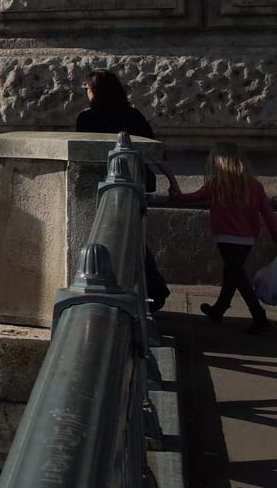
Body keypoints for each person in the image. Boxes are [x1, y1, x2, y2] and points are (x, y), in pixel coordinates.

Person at [74, 69, 169, 313]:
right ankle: (153, 286)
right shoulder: (133, 115)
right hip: (135, 184)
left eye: (87, 88)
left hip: (101, 186)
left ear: (94, 91)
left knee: (107, 237)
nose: (86, 92)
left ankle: (135, 288)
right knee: (132, 235)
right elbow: (153, 148)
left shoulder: (87, 119)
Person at [170, 141, 275, 334]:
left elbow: (191, 198)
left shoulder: (217, 185)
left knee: (237, 275)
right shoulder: (255, 186)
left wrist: (175, 195)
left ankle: (259, 317)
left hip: (226, 238)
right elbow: (268, 215)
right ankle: (218, 309)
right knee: (232, 273)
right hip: (247, 239)